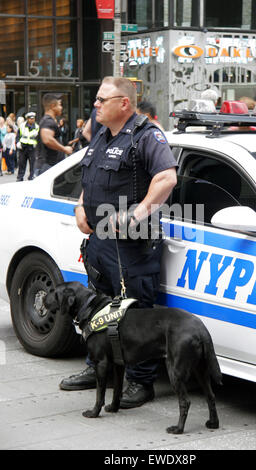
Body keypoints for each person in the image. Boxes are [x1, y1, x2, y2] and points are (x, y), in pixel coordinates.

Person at [60, 76, 177, 409]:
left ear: (123, 103)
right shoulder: (100, 134)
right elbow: (91, 176)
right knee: (98, 309)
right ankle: (97, 368)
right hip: (99, 242)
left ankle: (140, 382)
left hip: (131, 246)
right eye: (96, 99)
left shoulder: (146, 135)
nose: (95, 104)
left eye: (101, 99)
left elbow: (167, 178)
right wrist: (81, 205)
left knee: (134, 313)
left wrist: (136, 215)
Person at [34, 93, 73, 176]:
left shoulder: (49, 121)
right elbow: (47, 140)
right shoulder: (48, 121)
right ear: (52, 106)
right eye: (60, 105)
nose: (61, 108)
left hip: (50, 166)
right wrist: (64, 149)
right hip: (47, 167)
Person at [16, 112, 39, 181]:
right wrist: (18, 143)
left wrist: (37, 145)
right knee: (21, 163)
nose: (32, 120)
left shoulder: (37, 127)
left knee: (32, 164)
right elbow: (18, 135)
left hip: (32, 148)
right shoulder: (22, 126)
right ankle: (20, 177)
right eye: (30, 119)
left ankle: (31, 177)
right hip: (23, 147)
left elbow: (39, 138)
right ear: (27, 119)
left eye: (33, 118)